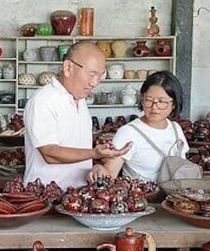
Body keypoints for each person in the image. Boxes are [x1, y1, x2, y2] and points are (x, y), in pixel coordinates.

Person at [23, 41, 130, 189]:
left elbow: (74, 141)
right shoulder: (43, 100)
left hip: (76, 194)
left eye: (100, 76)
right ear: (68, 67)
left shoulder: (80, 100)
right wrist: (94, 153)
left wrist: (101, 149)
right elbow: (49, 153)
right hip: (47, 196)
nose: (95, 83)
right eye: (91, 74)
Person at [87, 70, 187, 182]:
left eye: (162, 101)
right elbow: (109, 176)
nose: (154, 107)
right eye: (149, 100)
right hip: (144, 197)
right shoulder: (128, 133)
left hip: (176, 197)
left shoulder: (175, 129)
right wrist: (99, 169)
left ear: (173, 104)